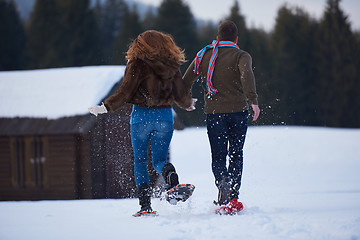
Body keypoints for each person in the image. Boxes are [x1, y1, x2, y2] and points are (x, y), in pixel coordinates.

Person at [89, 30, 196, 216]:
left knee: (140, 161)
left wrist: (105, 107)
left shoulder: (136, 64)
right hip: (164, 117)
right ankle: (171, 177)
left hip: (140, 118)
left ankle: (145, 207)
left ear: (140, 46)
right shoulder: (171, 65)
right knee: (159, 160)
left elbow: (125, 92)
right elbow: (181, 94)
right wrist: (188, 104)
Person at [182, 20, 260, 206]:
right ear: (236, 38)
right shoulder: (242, 55)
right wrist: (253, 101)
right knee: (236, 153)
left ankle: (222, 182)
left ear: (218, 37)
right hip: (239, 112)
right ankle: (233, 196)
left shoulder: (205, 55)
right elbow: (246, 75)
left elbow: (186, 80)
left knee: (218, 156)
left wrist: (186, 100)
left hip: (214, 113)